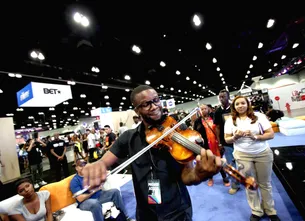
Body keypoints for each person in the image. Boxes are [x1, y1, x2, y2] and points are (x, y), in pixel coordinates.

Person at [81, 85, 222, 221]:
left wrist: (198, 174)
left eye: (156, 100)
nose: (154, 106)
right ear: (137, 111)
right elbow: (104, 162)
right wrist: (97, 166)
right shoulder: (128, 138)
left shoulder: (179, 129)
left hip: (176, 210)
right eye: (146, 104)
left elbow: (187, 175)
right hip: (146, 212)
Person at [224, 95, 280, 221]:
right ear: (234, 107)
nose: (240, 106)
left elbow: (271, 134)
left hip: (262, 153)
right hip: (242, 154)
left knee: (265, 183)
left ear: (248, 104)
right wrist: (235, 137)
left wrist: (256, 137)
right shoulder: (230, 121)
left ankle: (270, 210)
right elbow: (227, 139)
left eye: (243, 103)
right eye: (237, 104)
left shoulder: (259, 116)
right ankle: (256, 211)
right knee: (250, 183)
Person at [193, 104, 230, 187]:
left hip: (216, 144)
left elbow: (219, 129)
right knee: (209, 162)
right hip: (205, 146)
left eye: (205, 108)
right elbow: (195, 133)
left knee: (219, 161)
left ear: (208, 109)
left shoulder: (214, 117)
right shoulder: (197, 121)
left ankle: (224, 177)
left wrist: (221, 142)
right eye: (202, 109)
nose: (203, 110)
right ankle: (210, 177)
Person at [214, 89, 240, 194]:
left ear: (228, 97)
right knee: (231, 164)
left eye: (223, 96)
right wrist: (219, 142)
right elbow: (217, 128)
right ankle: (235, 185)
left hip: (240, 140)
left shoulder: (235, 108)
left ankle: (249, 181)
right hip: (227, 142)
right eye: (220, 97)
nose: (221, 99)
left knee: (245, 164)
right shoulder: (217, 111)